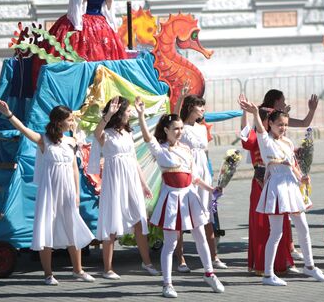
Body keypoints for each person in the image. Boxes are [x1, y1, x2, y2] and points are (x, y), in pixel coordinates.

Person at [0, 97, 95, 285]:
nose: (72, 122)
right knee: (46, 229)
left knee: (73, 228)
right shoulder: (44, 140)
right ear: (58, 121)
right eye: (69, 119)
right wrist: (8, 114)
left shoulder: (71, 141)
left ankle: (78, 270)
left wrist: (76, 193)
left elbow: (74, 168)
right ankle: (48, 274)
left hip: (67, 192)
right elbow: (23, 130)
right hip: (49, 192)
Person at [135, 100, 224, 298]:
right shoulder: (160, 149)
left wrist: (212, 188)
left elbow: (194, 178)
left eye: (181, 128)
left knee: (200, 235)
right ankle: (167, 284)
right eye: (176, 128)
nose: (179, 132)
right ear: (166, 130)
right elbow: (148, 137)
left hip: (190, 197)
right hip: (171, 199)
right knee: (170, 244)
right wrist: (141, 115)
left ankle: (209, 273)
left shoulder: (186, 149)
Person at [239, 95, 324, 286]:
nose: (283, 128)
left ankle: (310, 266)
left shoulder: (287, 142)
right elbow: (260, 130)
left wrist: (301, 177)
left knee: (303, 227)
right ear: (270, 124)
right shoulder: (265, 141)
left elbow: (293, 164)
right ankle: (268, 274)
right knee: (276, 232)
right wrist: (254, 112)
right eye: (280, 124)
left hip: (291, 186)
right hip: (276, 188)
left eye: (285, 125)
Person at [89, 96, 157, 279]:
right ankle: (108, 268)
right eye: (127, 111)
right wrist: (108, 114)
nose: (130, 113)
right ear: (119, 113)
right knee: (111, 222)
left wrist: (144, 184)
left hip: (131, 180)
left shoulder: (127, 133)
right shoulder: (106, 134)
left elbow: (134, 161)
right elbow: (96, 133)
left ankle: (147, 262)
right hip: (114, 181)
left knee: (139, 220)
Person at [172, 93, 226, 271]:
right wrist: (180, 98)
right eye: (199, 106)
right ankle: (180, 259)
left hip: (203, 171)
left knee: (207, 214)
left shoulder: (202, 128)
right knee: (183, 214)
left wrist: (212, 176)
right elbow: (174, 116)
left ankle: (214, 256)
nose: (203, 109)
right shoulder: (181, 128)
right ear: (190, 108)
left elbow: (206, 153)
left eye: (203, 106)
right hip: (187, 169)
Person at [240, 108, 296, 275]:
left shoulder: (282, 140)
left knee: (281, 225)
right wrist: (245, 113)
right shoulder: (259, 138)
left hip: (280, 183)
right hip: (261, 184)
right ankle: (263, 265)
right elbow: (245, 138)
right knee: (262, 226)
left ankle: (283, 262)